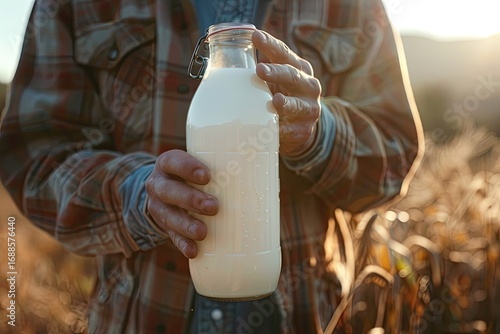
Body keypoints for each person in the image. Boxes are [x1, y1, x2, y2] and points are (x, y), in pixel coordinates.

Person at [0, 0, 423, 333]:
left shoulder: (350, 5)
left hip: (310, 315)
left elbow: (396, 153)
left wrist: (318, 134)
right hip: (141, 315)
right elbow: (33, 155)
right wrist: (137, 193)